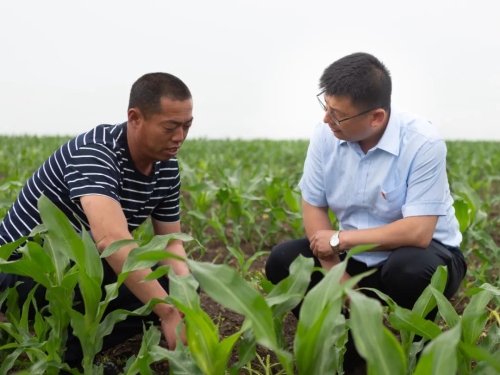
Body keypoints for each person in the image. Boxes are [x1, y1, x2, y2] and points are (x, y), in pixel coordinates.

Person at [265, 52, 467, 374]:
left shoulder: (422, 142)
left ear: (376, 117)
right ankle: (351, 344)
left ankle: (413, 346)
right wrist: (335, 271)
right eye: (326, 108)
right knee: (285, 260)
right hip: (352, 255)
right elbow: (314, 202)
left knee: (409, 269)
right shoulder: (325, 136)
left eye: (338, 115)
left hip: (423, 255)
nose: (326, 120)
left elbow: (417, 232)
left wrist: (339, 240)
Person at [0, 72, 193, 369]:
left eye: (187, 126)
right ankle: (62, 355)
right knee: (147, 295)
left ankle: (76, 347)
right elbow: (111, 240)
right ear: (135, 117)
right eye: (170, 127)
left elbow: (172, 247)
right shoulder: (96, 152)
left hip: (83, 265)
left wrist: (185, 305)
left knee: (181, 285)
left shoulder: (166, 167)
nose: (179, 137)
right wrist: (167, 312)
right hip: (26, 268)